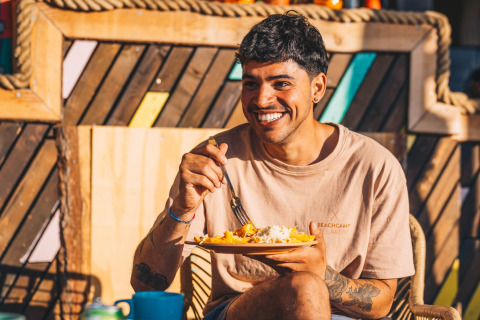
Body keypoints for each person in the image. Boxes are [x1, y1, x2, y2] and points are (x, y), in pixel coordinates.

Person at [130, 11, 414, 320]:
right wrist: (183, 209)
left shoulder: (374, 167)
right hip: (239, 311)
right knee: (303, 288)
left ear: (317, 88)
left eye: (281, 83)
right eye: (251, 84)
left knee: (307, 286)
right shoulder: (216, 161)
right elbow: (146, 282)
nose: (262, 99)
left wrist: (322, 275)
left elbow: (384, 300)